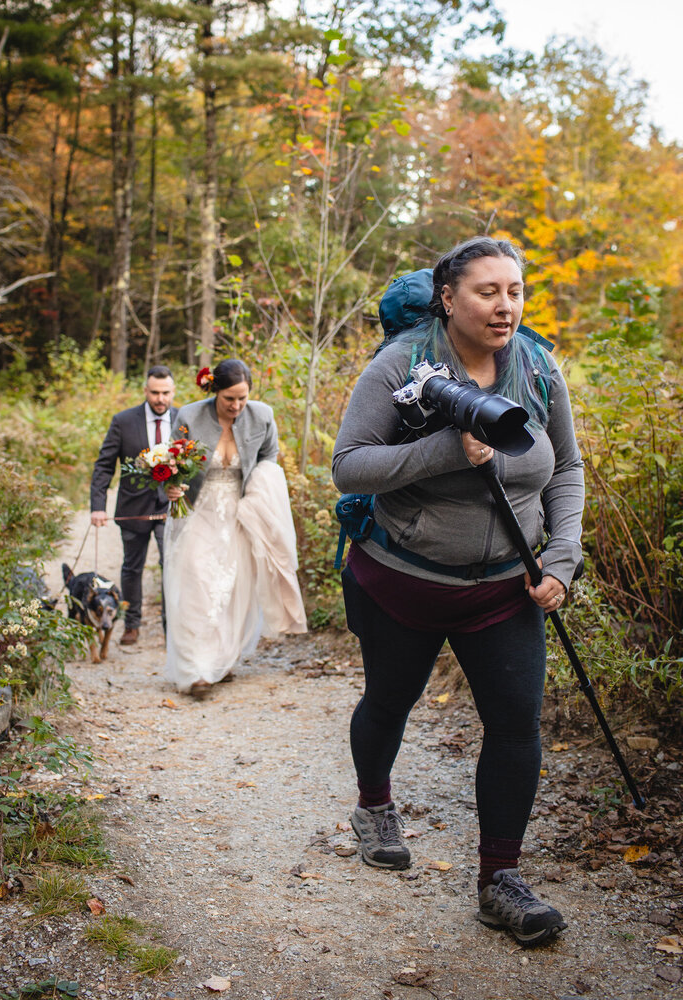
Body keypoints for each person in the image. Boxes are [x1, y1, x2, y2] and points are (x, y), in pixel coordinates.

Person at [332, 237, 585, 947]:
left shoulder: (537, 368)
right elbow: (349, 466)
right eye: (487, 291)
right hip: (402, 581)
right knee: (389, 701)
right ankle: (374, 805)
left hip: (506, 586)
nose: (505, 306)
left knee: (515, 725)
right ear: (449, 298)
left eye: (515, 291)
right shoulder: (397, 366)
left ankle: (499, 880)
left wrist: (561, 557)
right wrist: (447, 449)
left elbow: (566, 465)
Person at [163, 358, 307, 699]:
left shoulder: (262, 416)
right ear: (214, 390)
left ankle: (220, 660)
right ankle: (196, 669)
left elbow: (269, 459)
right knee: (196, 584)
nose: (237, 406)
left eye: (242, 398)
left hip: (241, 514)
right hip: (199, 511)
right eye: (230, 398)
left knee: (233, 590)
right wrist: (170, 487)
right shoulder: (189, 417)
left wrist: (263, 498)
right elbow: (170, 464)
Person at [90, 365, 177, 643]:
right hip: (133, 508)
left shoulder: (183, 419)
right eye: (154, 393)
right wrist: (98, 505)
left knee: (172, 564)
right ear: (145, 391)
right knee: (132, 567)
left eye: (165, 393)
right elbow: (104, 465)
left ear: (173, 392)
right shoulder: (123, 421)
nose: (160, 399)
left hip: (172, 509)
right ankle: (131, 623)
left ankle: (171, 626)